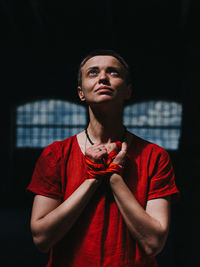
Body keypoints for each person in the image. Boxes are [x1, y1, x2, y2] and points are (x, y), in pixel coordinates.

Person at [27, 49, 180, 267]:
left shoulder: (155, 156)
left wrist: (114, 178)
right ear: (81, 92)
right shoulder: (55, 155)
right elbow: (41, 238)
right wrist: (94, 178)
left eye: (113, 72)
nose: (102, 78)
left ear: (128, 90)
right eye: (92, 72)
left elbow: (154, 242)